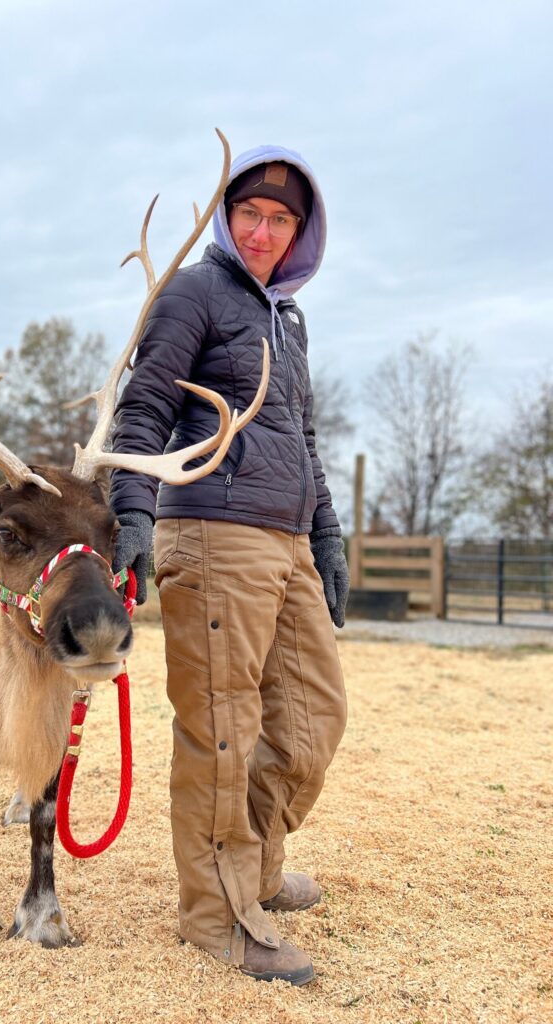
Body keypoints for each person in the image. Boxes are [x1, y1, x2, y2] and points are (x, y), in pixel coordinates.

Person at [110, 145, 349, 987]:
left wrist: (327, 536)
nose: (262, 230)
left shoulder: (288, 318)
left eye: (281, 219)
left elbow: (306, 438)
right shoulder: (193, 293)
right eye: (249, 212)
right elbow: (143, 403)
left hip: (285, 545)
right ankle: (216, 916)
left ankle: (256, 870)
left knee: (313, 721)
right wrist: (131, 512)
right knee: (222, 728)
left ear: (299, 232)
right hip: (211, 532)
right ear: (225, 215)